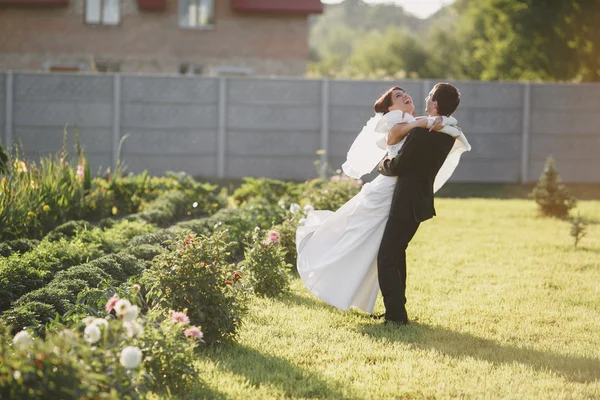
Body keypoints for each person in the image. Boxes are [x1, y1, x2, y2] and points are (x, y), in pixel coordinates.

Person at [296, 84, 471, 316]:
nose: (426, 98)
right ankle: (396, 310)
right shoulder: (446, 131)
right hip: (414, 200)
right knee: (396, 255)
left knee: (388, 256)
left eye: (430, 97)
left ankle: (396, 316)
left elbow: (398, 166)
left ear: (436, 104)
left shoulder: (424, 131)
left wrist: (383, 163)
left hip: (405, 201)